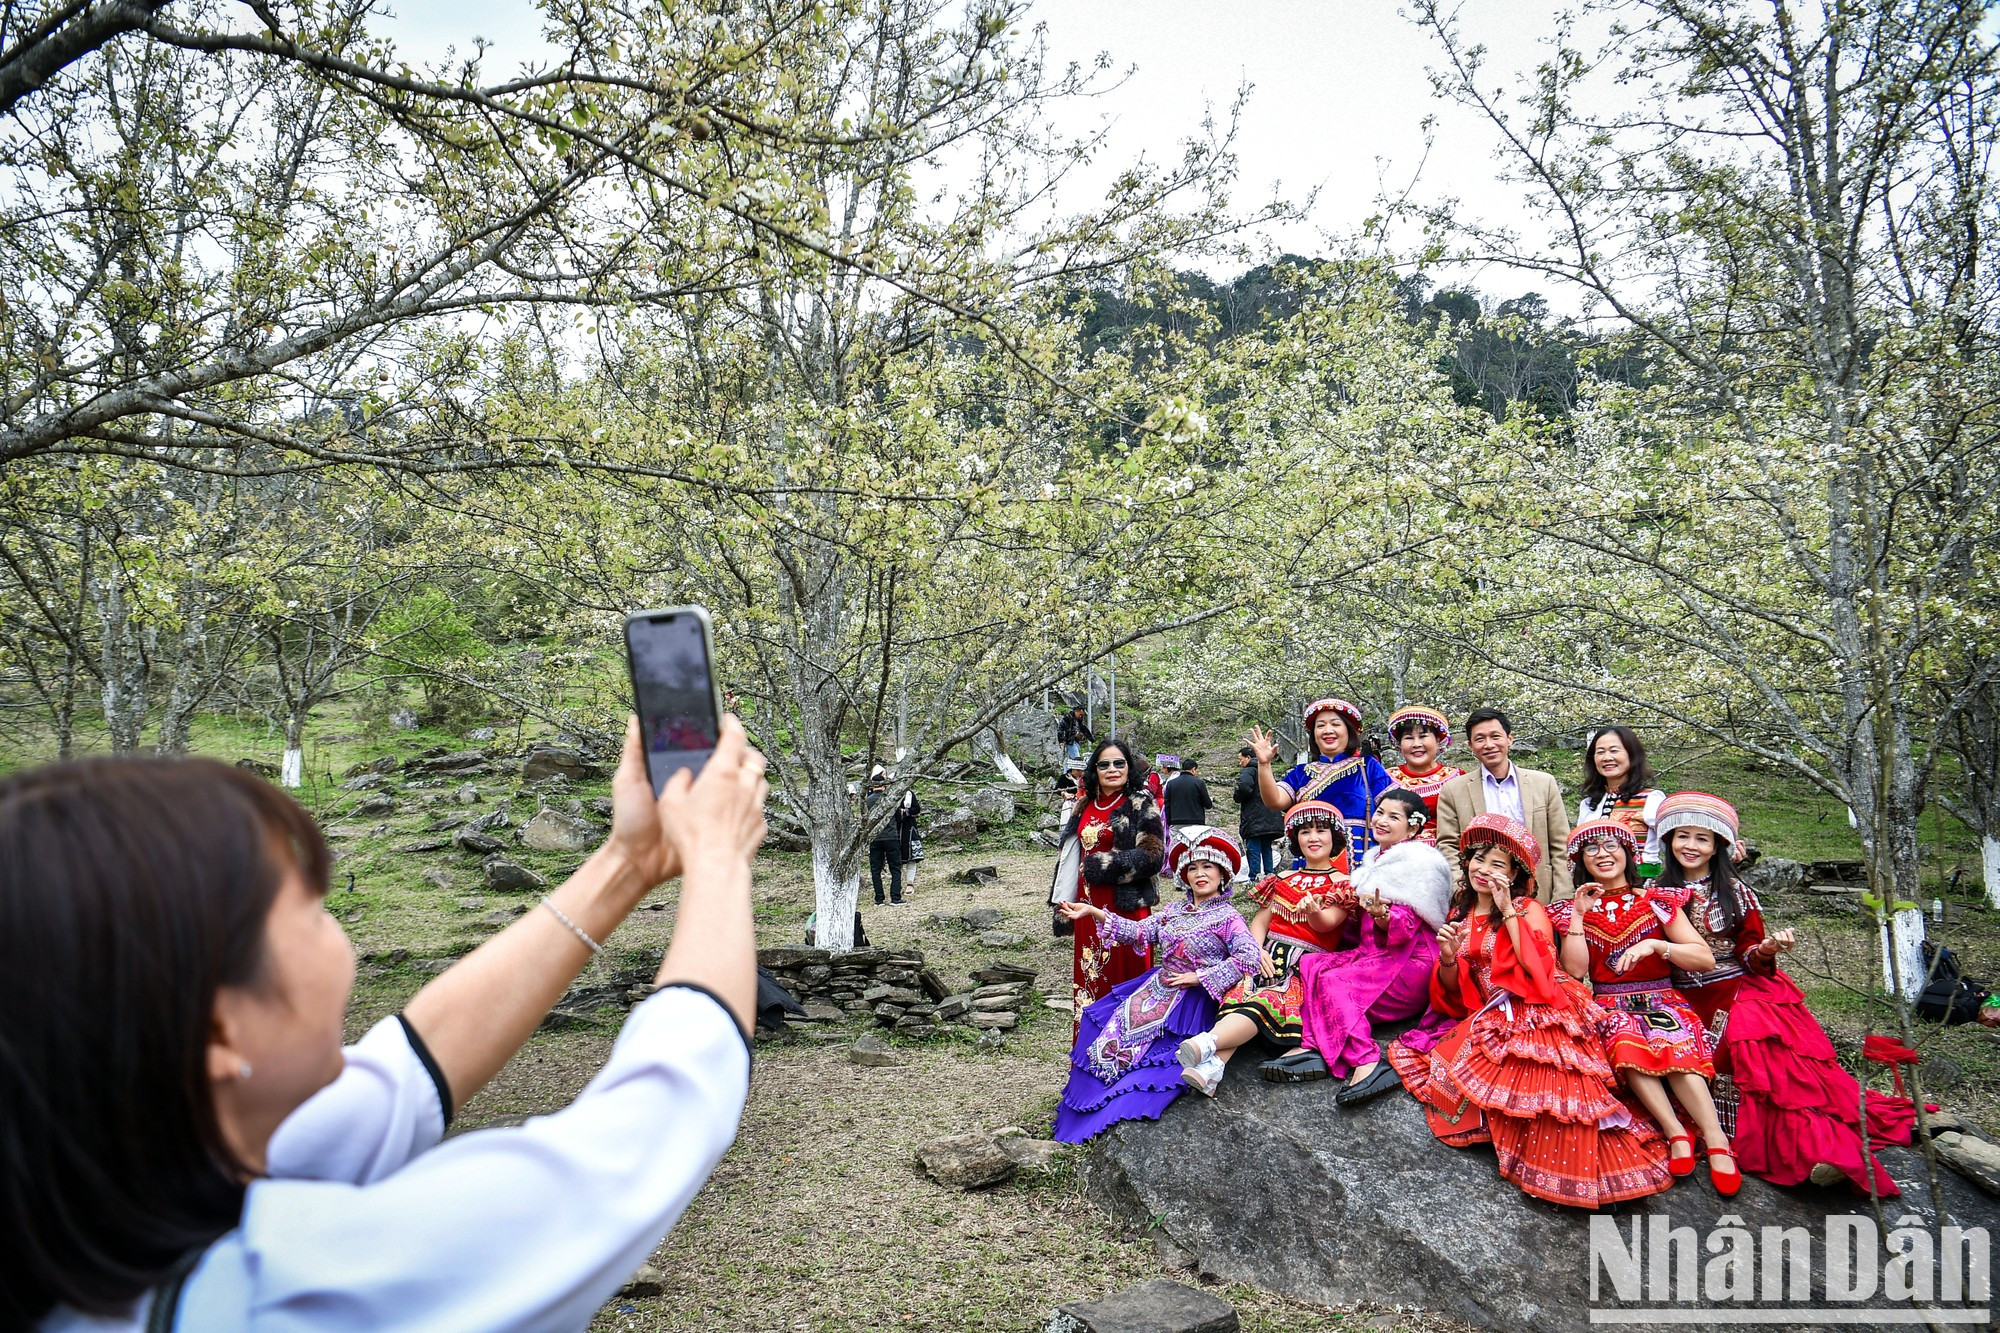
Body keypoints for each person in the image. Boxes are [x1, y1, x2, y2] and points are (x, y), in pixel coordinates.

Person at [6, 715, 767, 1332]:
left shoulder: (114, 1194)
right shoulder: (293, 1297)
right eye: (309, 907)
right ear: (216, 1035)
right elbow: (643, 1136)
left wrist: (630, 862)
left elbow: (403, 1073)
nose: (337, 935)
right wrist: (720, 859)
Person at [1385, 815, 1672, 1210]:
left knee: (1550, 1085)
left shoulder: (1527, 907)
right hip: (1489, 1011)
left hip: (1539, 1003)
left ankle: (1574, 1172)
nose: (1484, 870)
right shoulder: (1461, 916)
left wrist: (1509, 911)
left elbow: (1539, 968)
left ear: (1515, 875)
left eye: (1498, 864)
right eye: (1479, 859)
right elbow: (1453, 994)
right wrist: (1448, 958)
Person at [1657, 793, 1901, 1195]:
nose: (1691, 846)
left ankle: (1814, 1153)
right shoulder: (1652, 888)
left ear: (1718, 845)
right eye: (1683, 836)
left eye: (1703, 839)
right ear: (1669, 840)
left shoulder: (1735, 892)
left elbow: (1750, 955)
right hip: (1678, 995)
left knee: (1760, 1057)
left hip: (1736, 987)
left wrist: (1767, 950)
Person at [1551, 819, 1739, 1195]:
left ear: (1629, 852)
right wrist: (1578, 915)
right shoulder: (1569, 910)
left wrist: (1656, 947)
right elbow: (1575, 970)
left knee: (1671, 1039)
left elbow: (1703, 958)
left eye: (1611, 846)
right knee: (1624, 1039)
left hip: (1661, 996)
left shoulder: (1656, 900)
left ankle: (1717, 1140)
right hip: (1608, 1001)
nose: (1603, 854)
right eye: (1592, 849)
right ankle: (1674, 1133)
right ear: (1580, 861)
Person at [1052, 829, 1261, 1142]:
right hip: (1154, 989)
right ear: (1184, 876)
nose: (1200, 874)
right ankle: (1087, 1109)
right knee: (1100, 1025)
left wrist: (1201, 977)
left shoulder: (1229, 917)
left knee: (1155, 1067)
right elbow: (1137, 932)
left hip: (1192, 1002)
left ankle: (1120, 1112)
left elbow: (1249, 958)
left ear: (1223, 873)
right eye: (1192, 868)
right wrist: (1093, 911)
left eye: (1208, 867)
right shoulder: (1174, 912)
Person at [1268, 789, 1455, 1101]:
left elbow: (1404, 929)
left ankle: (1367, 1061)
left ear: (1413, 827)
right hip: (1378, 955)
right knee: (1311, 963)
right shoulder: (1373, 861)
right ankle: (1314, 1046)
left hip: (1410, 961)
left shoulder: (1422, 863)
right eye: (1380, 812)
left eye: (1393, 817)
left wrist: (1382, 915)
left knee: (1335, 982)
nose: (1381, 820)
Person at [1178, 802, 1352, 1093]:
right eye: (1305, 831)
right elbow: (1260, 921)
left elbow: (1328, 924)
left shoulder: (1343, 883)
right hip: (1268, 953)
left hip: (1306, 962)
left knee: (1265, 1000)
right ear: (1295, 839)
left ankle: (1209, 1043)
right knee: (1239, 994)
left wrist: (1313, 912)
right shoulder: (1282, 879)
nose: (1313, 838)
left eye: (1321, 831)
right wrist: (1256, 952)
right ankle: (1213, 1068)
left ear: (1335, 837)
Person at [1047, 739, 1165, 1029]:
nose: (1112, 769)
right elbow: (1071, 855)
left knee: (1125, 986)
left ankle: (1126, 1059)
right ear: (1094, 770)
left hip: (1124, 909)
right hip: (1085, 908)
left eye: (1119, 763)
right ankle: (1088, 1058)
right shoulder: (1084, 804)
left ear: (1128, 767)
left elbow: (1152, 857)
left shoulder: (1140, 804)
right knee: (1090, 982)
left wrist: (1105, 866)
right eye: (1104, 764)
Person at [1434, 707, 1574, 902]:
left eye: (1495, 736)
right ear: (1470, 745)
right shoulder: (1454, 790)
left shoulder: (1544, 783)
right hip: (1480, 895)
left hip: (1539, 892)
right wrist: (1463, 889)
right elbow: (1448, 845)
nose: (1489, 744)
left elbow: (1561, 845)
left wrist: (1563, 896)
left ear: (1510, 738)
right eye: (1480, 739)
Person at [1245, 697, 1395, 865]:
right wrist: (1264, 764)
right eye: (1321, 725)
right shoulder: (1300, 773)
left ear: (1349, 731)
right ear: (1314, 735)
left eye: (1336, 724)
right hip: (1311, 859)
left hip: (1359, 861)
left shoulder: (1367, 767)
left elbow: (1395, 810)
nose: (1328, 730)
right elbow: (1274, 801)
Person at [1577, 725, 1666, 872]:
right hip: (1598, 886)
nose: (1607, 758)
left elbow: (1671, 846)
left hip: (1642, 885)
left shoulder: (1651, 799)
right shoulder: (1588, 804)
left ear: (1632, 754)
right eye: (1600, 752)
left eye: (1614, 750)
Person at [1382, 706, 1467, 837]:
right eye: (1409, 738)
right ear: (1399, 744)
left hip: (1445, 852)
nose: (1416, 744)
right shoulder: (1385, 778)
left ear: (1438, 740)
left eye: (1423, 736)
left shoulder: (1457, 777)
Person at [1232, 744, 1285, 879]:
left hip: (1254, 816)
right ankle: (1269, 874)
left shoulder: (1248, 771)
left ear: (1248, 757)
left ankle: (1254, 876)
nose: (1240, 763)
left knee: (1253, 847)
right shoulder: (1266, 769)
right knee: (1266, 847)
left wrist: (1237, 796)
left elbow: (1244, 787)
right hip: (1270, 815)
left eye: (1241, 759)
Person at [865, 773, 903, 905]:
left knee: (875, 869)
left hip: (874, 838)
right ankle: (895, 898)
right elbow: (899, 818)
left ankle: (879, 899)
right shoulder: (890, 799)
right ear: (884, 785)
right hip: (891, 836)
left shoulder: (867, 801)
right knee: (895, 868)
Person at [1163, 756, 1214, 840]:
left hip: (1176, 821)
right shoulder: (1199, 783)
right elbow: (1208, 804)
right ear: (1193, 769)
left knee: (1176, 849)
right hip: (1196, 822)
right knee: (1195, 849)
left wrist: (1170, 821)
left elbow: (1167, 804)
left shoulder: (1171, 783)